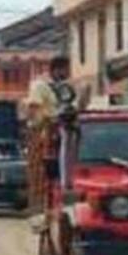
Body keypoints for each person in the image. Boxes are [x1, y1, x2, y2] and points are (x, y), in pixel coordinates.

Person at [24, 54, 75, 212]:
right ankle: (40, 209)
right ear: (56, 69)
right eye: (65, 71)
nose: (67, 75)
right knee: (42, 175)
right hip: (44, 134)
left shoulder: (65, 87)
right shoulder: (40, 85)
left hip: (63, 132)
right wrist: (49, 119)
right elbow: (34, 110)